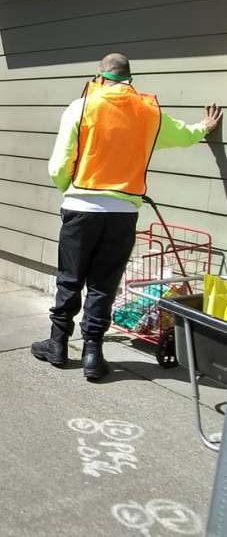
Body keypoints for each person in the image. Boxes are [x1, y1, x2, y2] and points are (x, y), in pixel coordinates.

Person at [31, 53, 222, 381]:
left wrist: (70, 189)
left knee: (70, 278)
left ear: (99, 77)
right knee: (104, 284)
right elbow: (182, 134)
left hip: (81, 207)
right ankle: (93, 354)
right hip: (123, 213)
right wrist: (204, 127)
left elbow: (59, 165)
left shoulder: (81, 106)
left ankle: (58, 344)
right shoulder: (149, 112)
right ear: (130, 80)